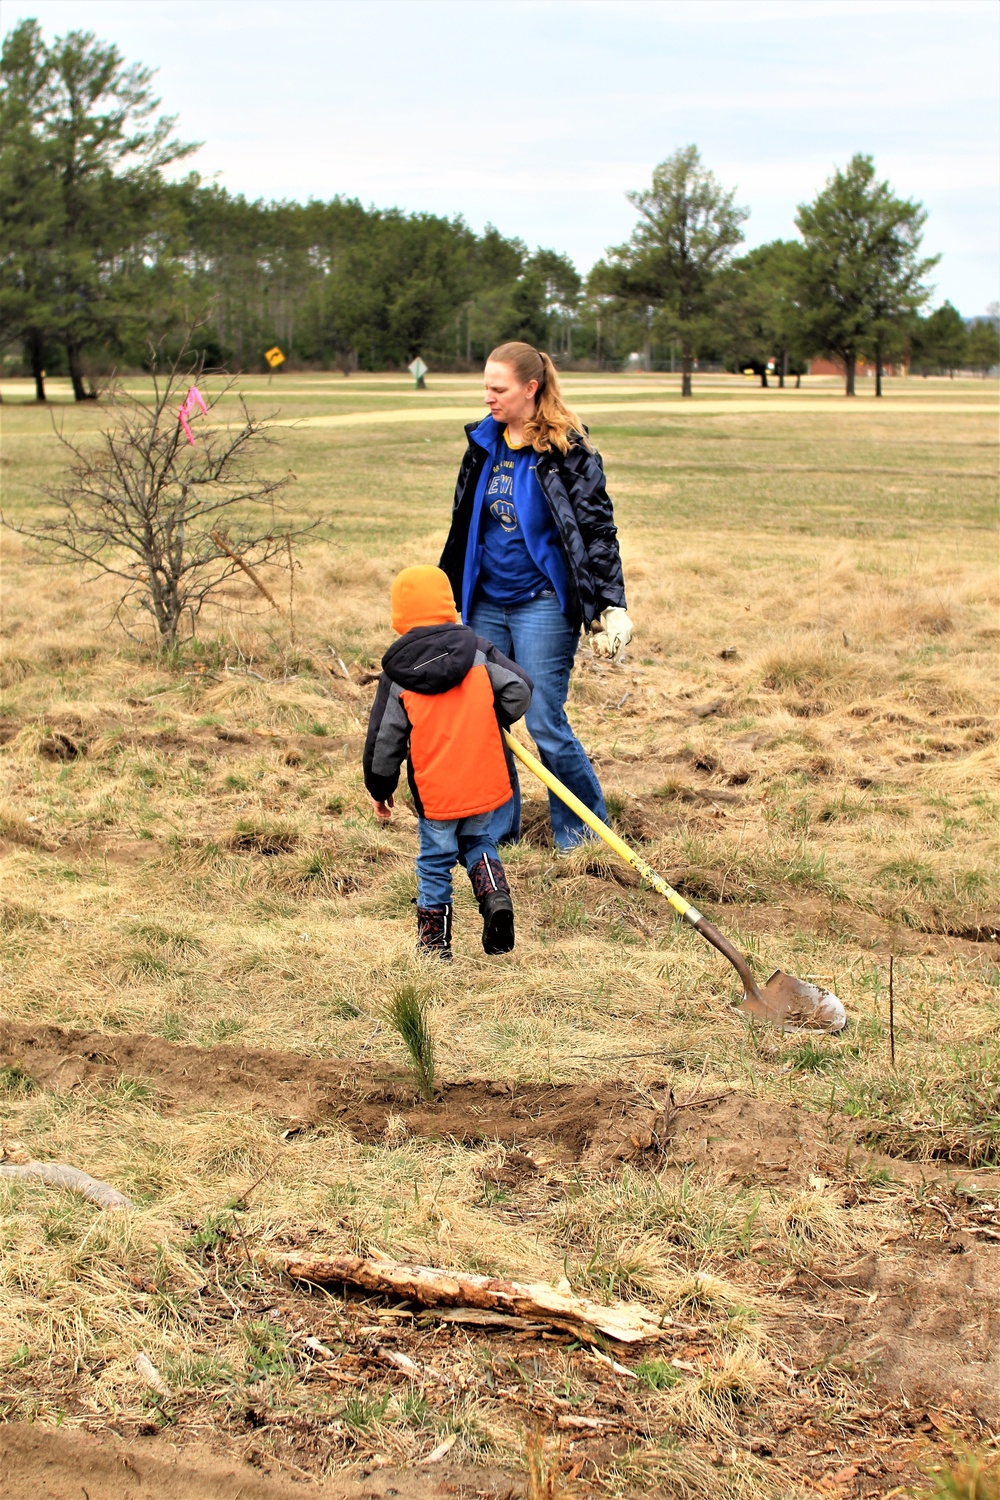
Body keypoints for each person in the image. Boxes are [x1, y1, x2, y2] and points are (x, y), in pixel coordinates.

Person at [439, 341, 632, 853]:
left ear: (531, 388)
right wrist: (446, 593)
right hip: (485, 602)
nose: (488, 397)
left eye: (498, 389)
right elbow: (463, 528)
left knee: (545, 719)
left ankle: (583, 833)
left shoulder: (568, 451)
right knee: (484, 720)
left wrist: (611, 604)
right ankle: (498, 829)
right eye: (485, 386)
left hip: (542, 602)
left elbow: (596, 530)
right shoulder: (482, 444)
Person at [363, 565, 532, 962]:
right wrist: (494, 714)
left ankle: (434, 946)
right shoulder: (477, 651)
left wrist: (380, 787)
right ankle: (494, 897)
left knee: (435, 859)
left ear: (399, 618)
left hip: (436, 788)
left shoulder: (398, 673)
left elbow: (384, 741)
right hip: (482, 774)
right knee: (477, 840)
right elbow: (520, 689)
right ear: (450, 608)